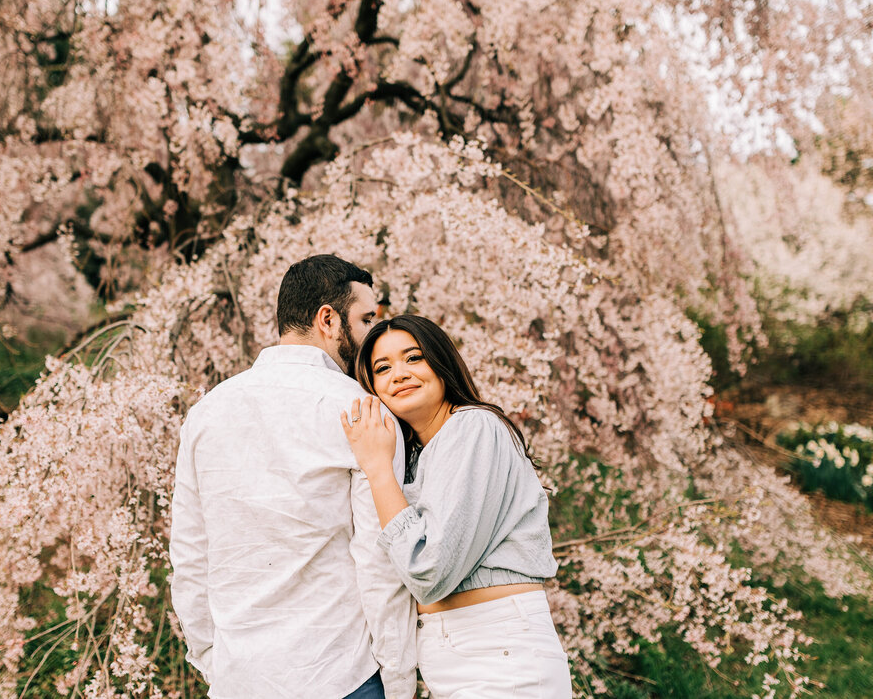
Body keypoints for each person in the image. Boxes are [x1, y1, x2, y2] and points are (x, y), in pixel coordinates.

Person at [169, 255, 417, 699]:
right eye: (364, 320)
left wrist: (212, 661)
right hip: (340, 673)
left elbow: (189, 556)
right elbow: (379, 561)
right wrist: (398, 680)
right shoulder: (362, 412)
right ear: (328, 319)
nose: (370, 337)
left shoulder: (206, 413)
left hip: (239, 678)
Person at [341, 314, 572, 698]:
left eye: (414, 358)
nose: (399, 374)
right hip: (452, 656)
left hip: (499, 650)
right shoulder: (419, 457)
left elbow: (428, 570)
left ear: (442, 362)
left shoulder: (473, 428)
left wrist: (377, 469)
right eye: (383, 368)